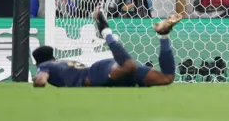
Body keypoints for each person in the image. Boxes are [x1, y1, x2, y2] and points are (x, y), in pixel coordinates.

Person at [33, 9, 180, 87]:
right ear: (54, 57)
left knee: (129, 66)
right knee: (166, 78)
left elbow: (41, 81)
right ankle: (164, 35)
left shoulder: (45, 66)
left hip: (96, 74)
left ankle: (106, 32)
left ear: (38, 63)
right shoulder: (61, 62)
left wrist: (38, 77)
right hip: (109, 74)